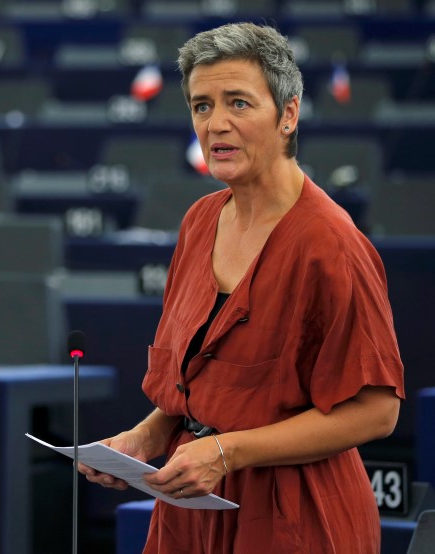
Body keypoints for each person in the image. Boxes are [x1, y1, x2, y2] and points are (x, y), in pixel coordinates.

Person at [79, 22, 404, 553]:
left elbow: (377, 410)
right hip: (191, 508)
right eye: (202, 106)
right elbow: (207, 386)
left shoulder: (331, 244)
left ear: (289, 115)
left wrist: (229, 453)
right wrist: (147, 436)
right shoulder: (199, 220)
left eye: (238, 103)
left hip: (297, 515)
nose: (217, 125)